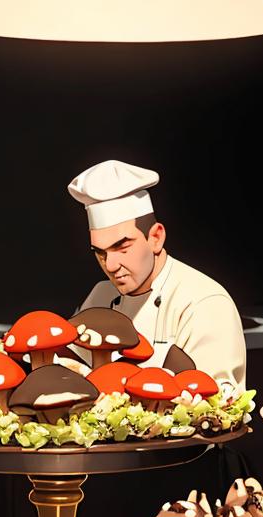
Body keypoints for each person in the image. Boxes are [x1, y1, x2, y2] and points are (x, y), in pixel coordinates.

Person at [68, 160, 247, 387]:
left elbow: (215, 399)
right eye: (100, 252)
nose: (110, 265)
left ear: (156, 237)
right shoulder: (100, 296)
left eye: (122, 247)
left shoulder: (204, 302)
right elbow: (71, 368)